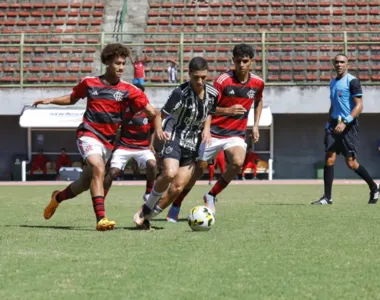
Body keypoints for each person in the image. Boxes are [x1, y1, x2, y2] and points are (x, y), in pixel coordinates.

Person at [33, 43, 157, 231]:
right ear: (107, 62)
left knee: (84, 183)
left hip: (107, 142)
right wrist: (51, 100)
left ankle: (56, 198)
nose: (121, 67)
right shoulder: (90, 83)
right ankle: (101, 219)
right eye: (117, 63)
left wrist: (157, 123)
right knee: (99, 168)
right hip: (88, 133)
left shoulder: (129, 90)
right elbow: (72, 98)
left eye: (124, 63)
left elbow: (151, 111)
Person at [164, 43, 264, 221]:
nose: (241, 65)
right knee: (197, 172)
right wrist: (209, 127)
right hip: (215, 131)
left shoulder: (258, 83)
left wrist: (255, 125)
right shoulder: (222, 81)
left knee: (237, 162)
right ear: (232, 60)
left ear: (252, 62)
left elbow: (259, 101)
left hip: (236, 134)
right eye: (238, 61)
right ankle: (176, 204)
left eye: (245, 61)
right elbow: (208, 105)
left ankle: (211, 195)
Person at [132, 56, 218, 229]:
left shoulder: (213, 93)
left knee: (177, 188)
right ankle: (147, 206)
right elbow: (158, 114)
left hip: (193, 144)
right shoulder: (180, 93)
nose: (200, 81)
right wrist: (158, 131)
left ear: (208, 74)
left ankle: (147, 214)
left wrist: (207, 128)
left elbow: (210, 112)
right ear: (189, 74)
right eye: (196, 77)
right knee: (170, 173)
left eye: (203, 77)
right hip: (175, 136)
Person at [312, 53, 379, 205]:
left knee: (351, 163)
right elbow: (333, 105)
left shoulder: (352, 81)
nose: (339, 64)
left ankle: (374, 188)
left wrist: (345, 122)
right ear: (333, 64)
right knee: (329, 158)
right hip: (333, 125)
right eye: (337, 62)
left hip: (348, 126)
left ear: (347, 65)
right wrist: (329, 123)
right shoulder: (333, 83)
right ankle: (327, 198)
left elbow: (359, 106)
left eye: (342, 62)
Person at [103, 84, 157, 202]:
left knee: (152, 164)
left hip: (142, 147)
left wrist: (151, 144)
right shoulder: (123, 109)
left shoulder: (149, 112)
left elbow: (152, 129)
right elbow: (115, 127)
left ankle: (148, 192)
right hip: (124, 146)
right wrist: (113, 146)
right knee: (113, 172)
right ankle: (100, 198)